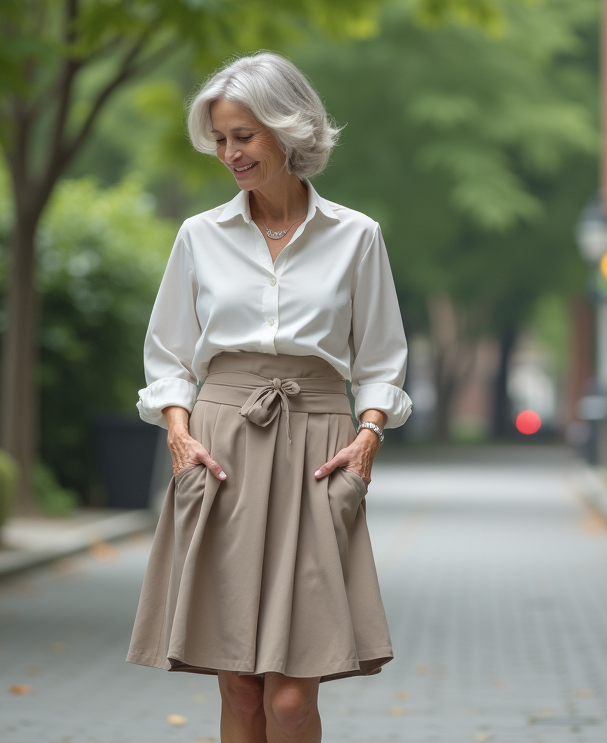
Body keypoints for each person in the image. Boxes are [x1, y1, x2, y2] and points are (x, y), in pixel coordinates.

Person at [126, 51, 412, 743]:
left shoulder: (357, 237)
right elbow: (167, 354)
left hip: (319, 449)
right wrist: (179, 434)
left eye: (243, 136)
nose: (230, 153)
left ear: (288, 130)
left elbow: (380, 361)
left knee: (290, 699)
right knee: (242, 689)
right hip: (221, 450)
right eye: (221, 139)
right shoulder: (199, 236)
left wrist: (368, 438)